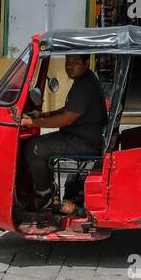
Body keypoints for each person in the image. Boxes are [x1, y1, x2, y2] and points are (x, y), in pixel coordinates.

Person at [21, 53, 107, 214]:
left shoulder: (84, 86)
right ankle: (48, 190)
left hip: (84, 142)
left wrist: (32, 122)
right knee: (42, 145)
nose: (69, 66)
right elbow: (70, 109)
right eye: (68, 61)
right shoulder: (84, 80)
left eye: (75, 62)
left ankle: (44, 196)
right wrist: (43, 115)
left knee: (34, 148)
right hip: (83, 137)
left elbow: (67, 119)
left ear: (87, 62)